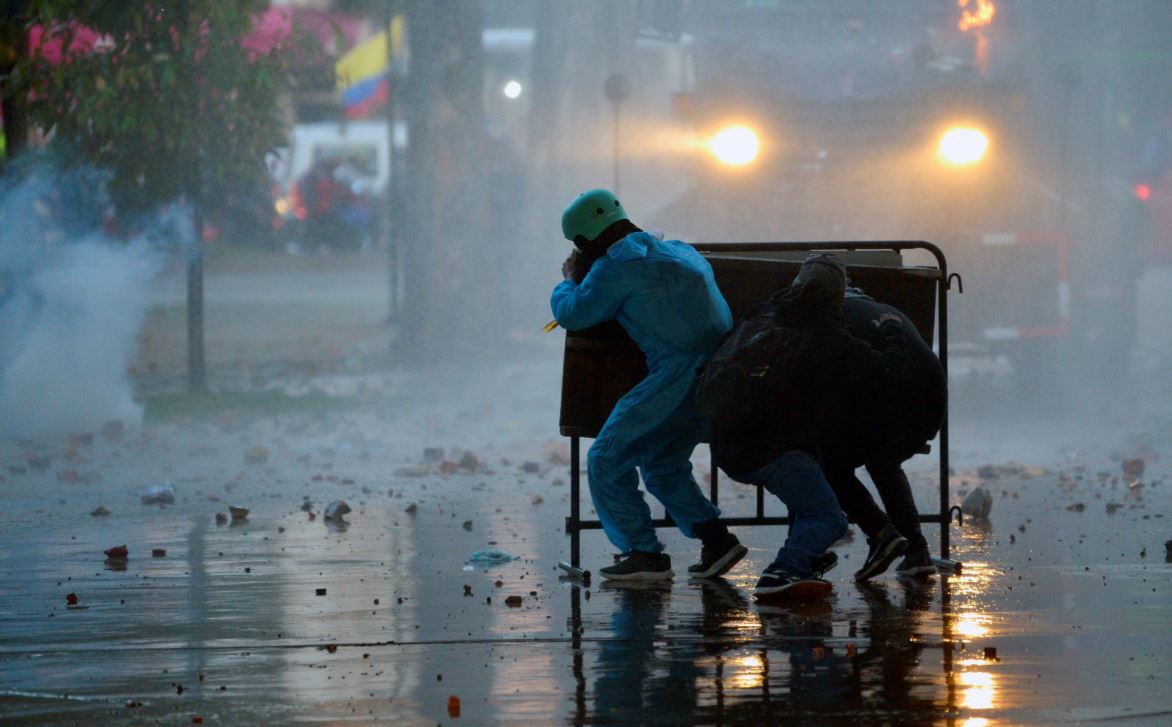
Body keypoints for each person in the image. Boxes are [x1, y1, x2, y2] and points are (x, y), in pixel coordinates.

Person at [551, 189, 746, 581]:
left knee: (606, 457)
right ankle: (717, 540)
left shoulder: (614, 270)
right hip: (720, 374)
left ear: (585, 242)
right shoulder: (679, 250)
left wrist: (570, 280)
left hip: (675, 377)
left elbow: (574, 314)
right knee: (661, 464)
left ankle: (643, 552)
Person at [706, 253, 908, 600]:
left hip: (728, 442)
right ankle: (783, 571)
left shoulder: (764, 314)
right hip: (772, 449)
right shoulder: (828, 336)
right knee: (829, 519)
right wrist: (891, 329)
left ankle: (806, 559)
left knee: (809, 493)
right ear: (839, 297)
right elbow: (888, 372)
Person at [824, 287, 947, 580]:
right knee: (884, 460)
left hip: (888, 407)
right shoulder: (883, 308)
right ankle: (917, 551)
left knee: (829, 465)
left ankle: (881, 534)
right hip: (928, 410)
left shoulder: (835, 321)